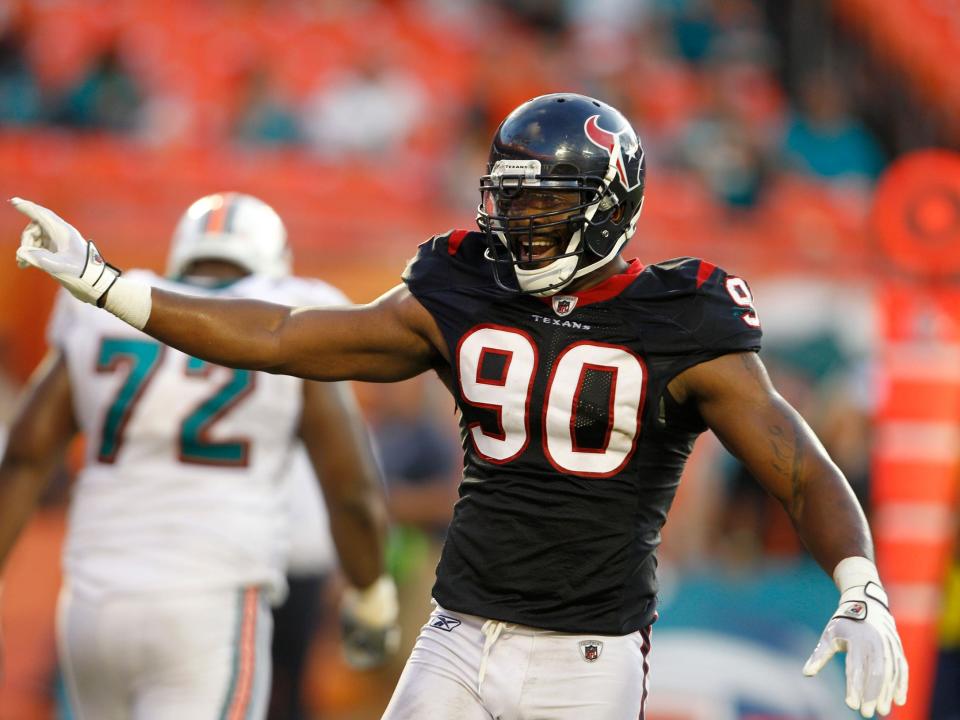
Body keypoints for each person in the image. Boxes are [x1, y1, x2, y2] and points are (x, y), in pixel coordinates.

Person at [11, 93, 908, 719]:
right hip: (456, 631)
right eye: (510, 202)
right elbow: (286, 334)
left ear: (609, 206)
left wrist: (858, 582)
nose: (519, 226)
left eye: (545, 204)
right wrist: (112, 286)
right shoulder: (464, 284)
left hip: (586, 658)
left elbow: (797, 466)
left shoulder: (684, 318)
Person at [0, 192, 398, 719]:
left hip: (93, 601)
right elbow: (350, 487)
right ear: (274, 259)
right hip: (209, 600)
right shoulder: (293, 307)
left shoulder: (107, 306)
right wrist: (371, 594)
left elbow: (26, 456)